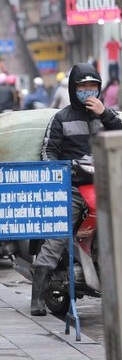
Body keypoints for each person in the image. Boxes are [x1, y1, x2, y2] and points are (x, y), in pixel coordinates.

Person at [34, 63, 122, 316]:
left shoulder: (109, 116)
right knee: (58, 234)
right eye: (82, 87)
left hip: (107, 186)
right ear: (73, 89)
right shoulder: (61, 118)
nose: (87, 91)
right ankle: (37, 297)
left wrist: (104, 114)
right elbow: (48, 151)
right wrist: (62, 170)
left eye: (92, 86)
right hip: (73, 188)